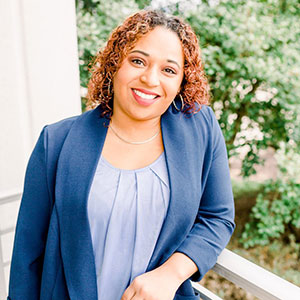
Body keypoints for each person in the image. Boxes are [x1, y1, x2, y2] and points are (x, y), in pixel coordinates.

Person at [8, 10, 235, 300]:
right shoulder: (56, 141)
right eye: (138, 61)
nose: (150, 79)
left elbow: (218, 217)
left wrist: (170, 274)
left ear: (181, 81)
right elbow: (28, 254)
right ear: (115, 64)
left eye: (169, 70)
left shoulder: (200, 128)